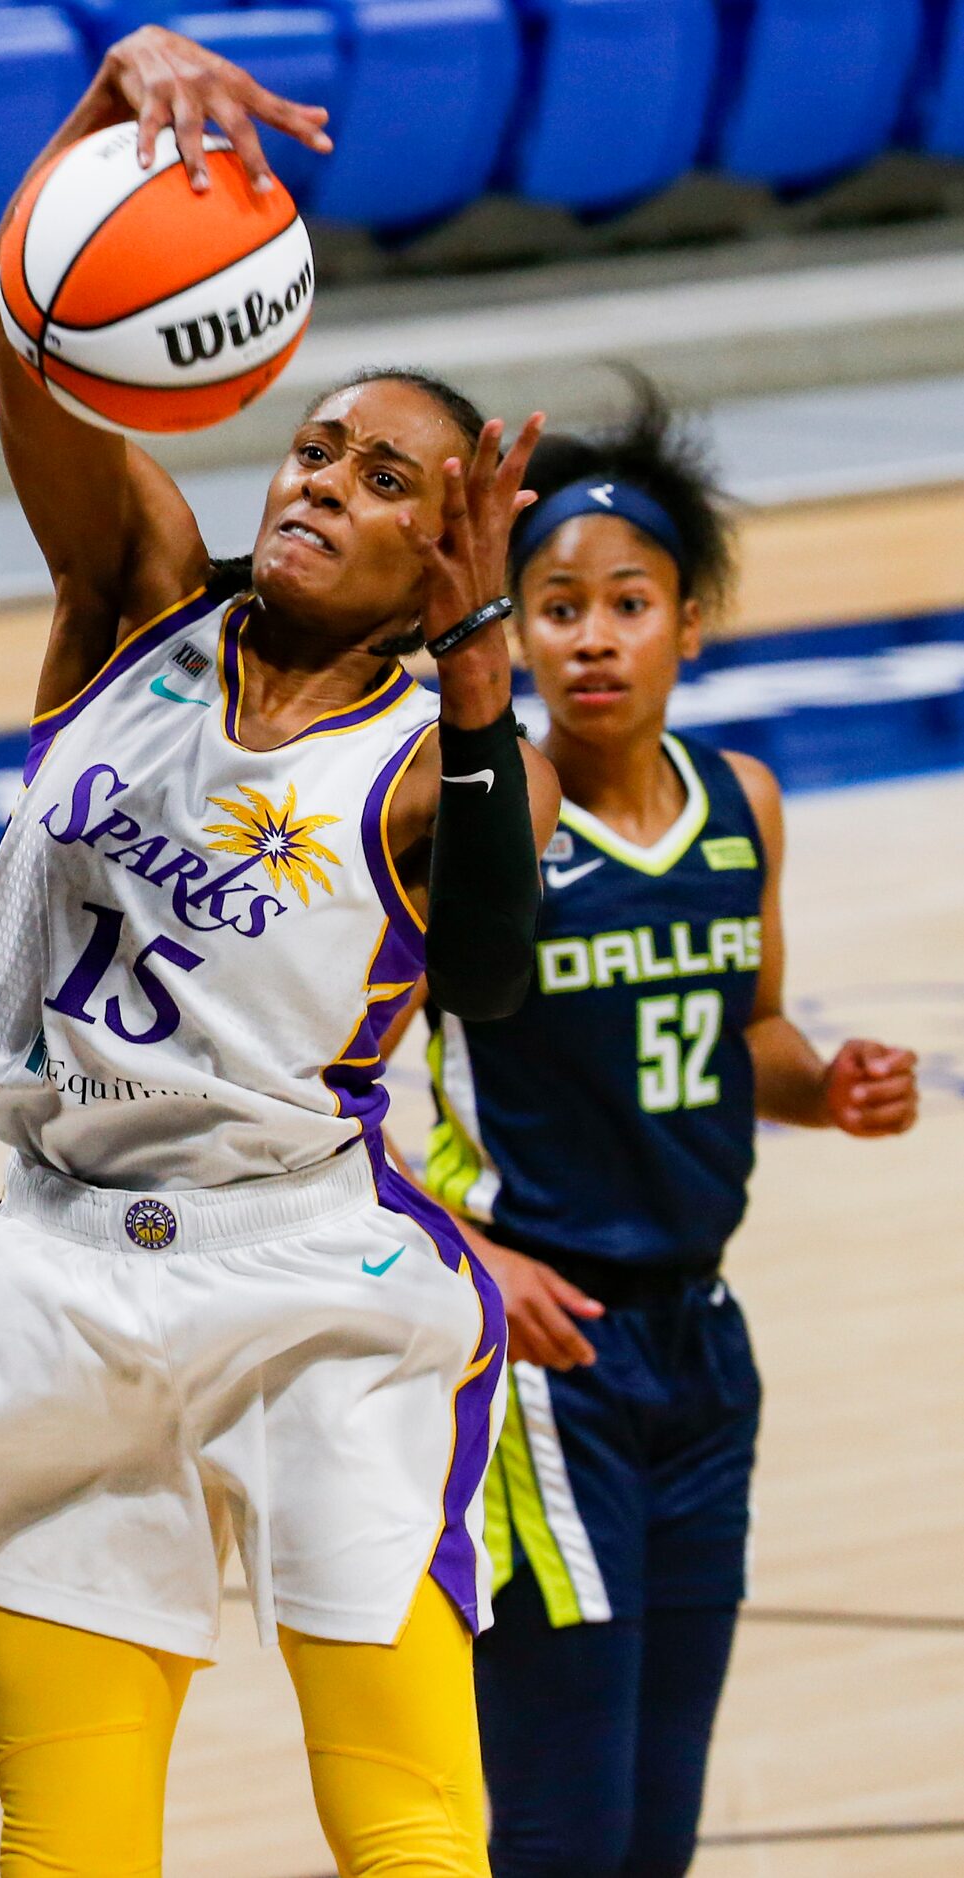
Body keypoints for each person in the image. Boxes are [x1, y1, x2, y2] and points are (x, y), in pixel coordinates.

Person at [0, 26, 565, 1878]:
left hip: (312, 1271)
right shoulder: (137, 600)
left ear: (447, 549)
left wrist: (493, 676)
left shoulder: (436, 749)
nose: (315, 484)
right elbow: (14, 310)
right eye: (310, 448)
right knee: (70, 1839)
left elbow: (493, 978)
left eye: (376, 480)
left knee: (408, 1826)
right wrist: (109, 109)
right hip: (58, 1259)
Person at [403, 385, 919, 1877]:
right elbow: (341, 1069)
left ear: (687, 621)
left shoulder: (739, 804)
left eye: (626, 600)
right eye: (553, 604)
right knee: (569, 1828)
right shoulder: (501, 814)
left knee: (657, 1832)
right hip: (543, 1357)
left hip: (702, 1345)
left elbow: (751, 1026)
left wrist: (826, 1085)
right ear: (513, 629)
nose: (590, 634)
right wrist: (466, 1250)